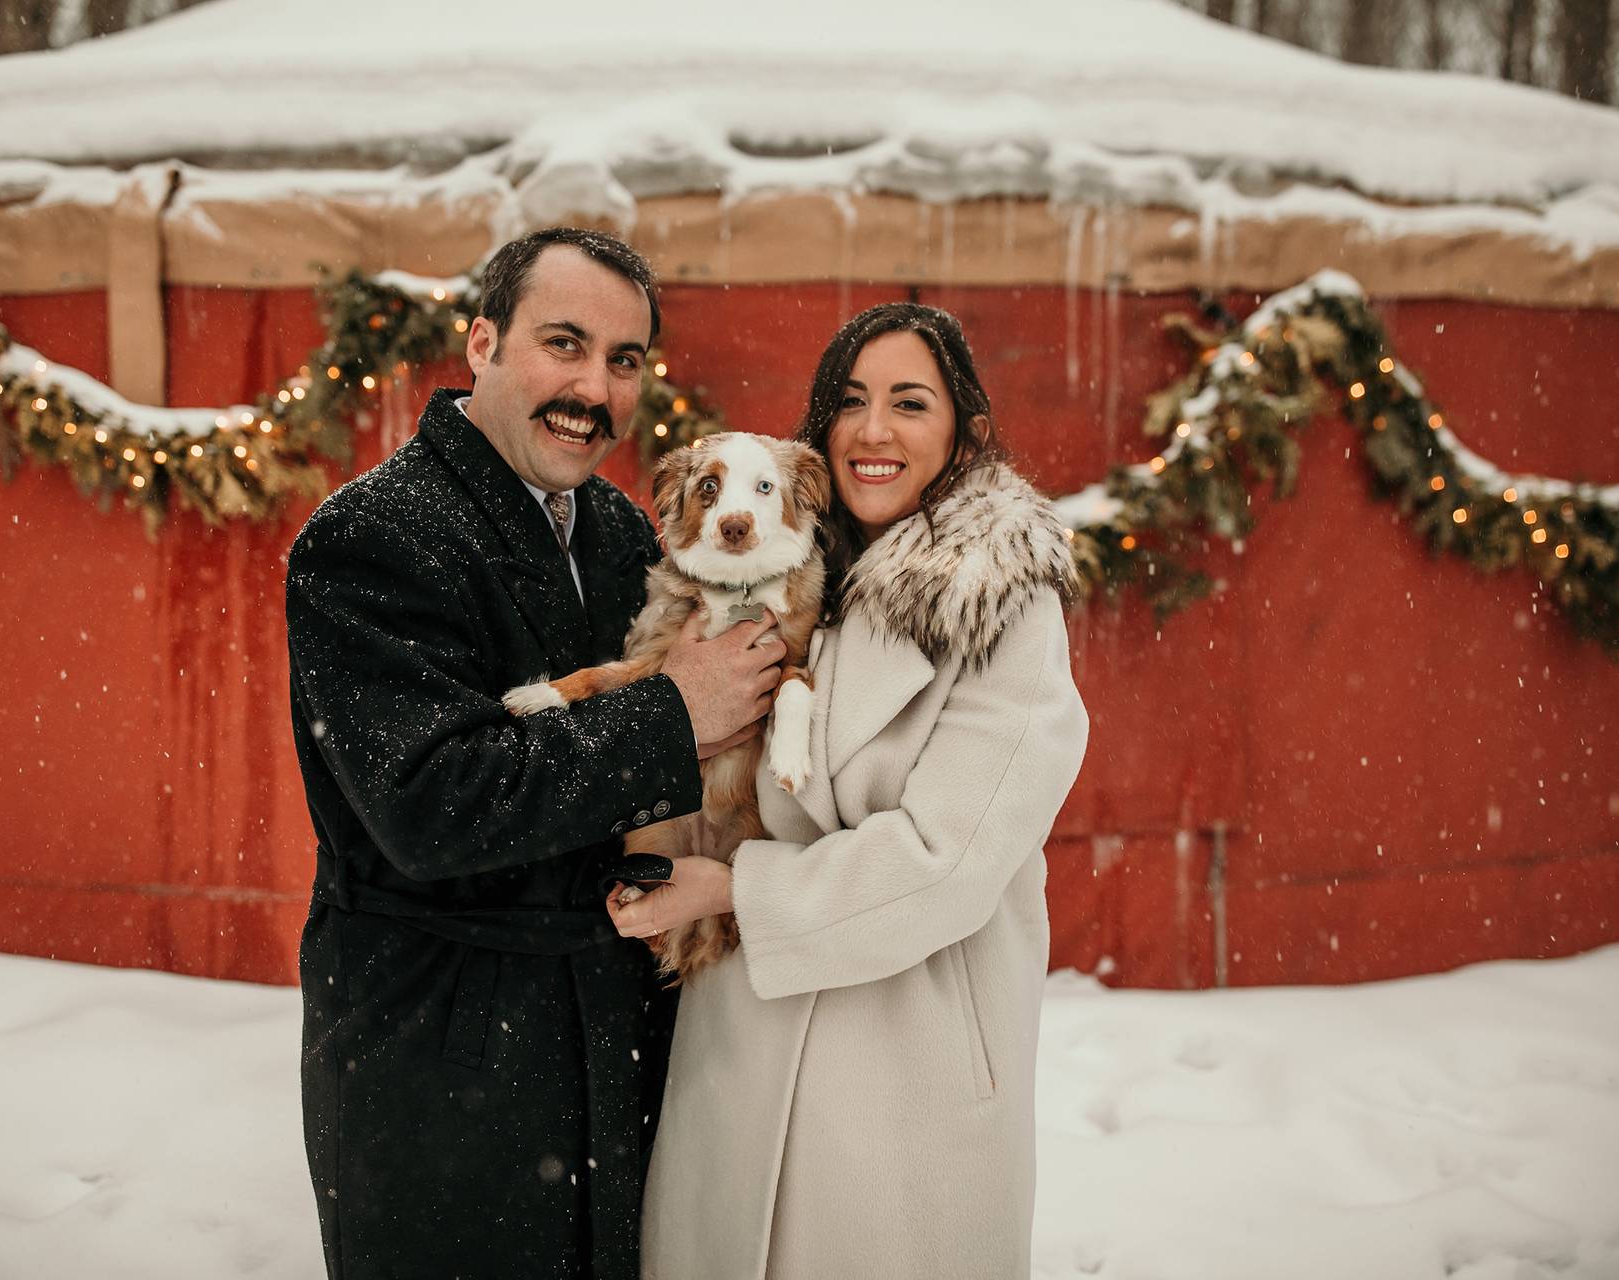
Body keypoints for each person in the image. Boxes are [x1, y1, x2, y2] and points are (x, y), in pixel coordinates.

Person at [285, 227, 785, 1280]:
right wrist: (671, 716)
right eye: (564, 343)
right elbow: (432, 800)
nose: (593, 387)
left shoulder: (623, 530)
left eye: (625, 360)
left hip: (620, 1046)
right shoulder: (373, 535)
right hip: (448, 1060)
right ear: (480, 342)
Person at [612, 302, 1091, 1278]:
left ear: (963, 430)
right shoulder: (774, 570)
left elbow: (944, 860)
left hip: (903, 1071)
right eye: (852, 402)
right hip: (740, 1044)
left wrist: (737, 889)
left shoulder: (1003, 609)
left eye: (910, 403)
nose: (875, 430)